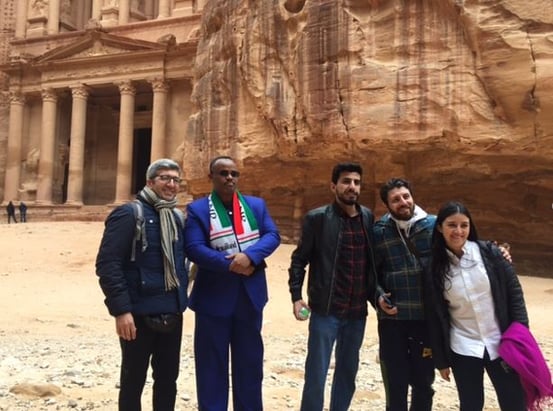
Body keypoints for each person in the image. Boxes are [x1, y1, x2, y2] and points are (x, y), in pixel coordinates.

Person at [183, 156, 280, 410]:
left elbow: (272, 235)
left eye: (234, 173)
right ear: (211, 177)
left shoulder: (255, 206)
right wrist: (232, 264)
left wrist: (250, 257)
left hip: (250, 298)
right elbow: (194, 248)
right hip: (213, 301)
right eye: (223, 173)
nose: (230, 178)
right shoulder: (198, 210)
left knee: (249, 365)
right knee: (211, 368)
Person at [95, 158, 189, 411]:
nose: (171, 184)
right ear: (150, 182)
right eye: (164, 178)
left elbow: (185, 261)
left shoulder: (177, 218)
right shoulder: (129, 214)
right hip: (137, 314)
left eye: (175, 179)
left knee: (168, 380)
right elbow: (108, 264)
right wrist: (121, 310)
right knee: (133, 381)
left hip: (172, 310)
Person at [288, 162, 377, 411]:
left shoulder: (367, 217)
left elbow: (371, 264)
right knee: (316, 373)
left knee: (347, 374)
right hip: (326, 311)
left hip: (357, 313)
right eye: (346, 181)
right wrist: (296, 296)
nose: (352, 187)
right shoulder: (317, 219)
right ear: (333, 186)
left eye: (356, 182)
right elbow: (299, 260)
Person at [425, 201, 528, 411]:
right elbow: (434, 315)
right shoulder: (432, 267)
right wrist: (441, 360)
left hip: (501, 343)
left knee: (514, 402)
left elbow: (514, 295)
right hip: (463, 346)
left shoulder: (491, 253)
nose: (459, 231)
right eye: (452, 225)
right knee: (470, 404)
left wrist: (520, 335)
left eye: (464, 225)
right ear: (439, 227)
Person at [373, 178, 436, 411]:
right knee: (395, 381)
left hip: (424, 319)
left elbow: (462, 249)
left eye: (406, 196)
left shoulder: (434, 226)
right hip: (392, 320)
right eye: (396, 199)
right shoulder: (379, 231)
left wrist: (497, 251)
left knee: (423, 382)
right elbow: (371, 274)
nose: (403, 202)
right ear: (387, 205)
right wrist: (379, 295)